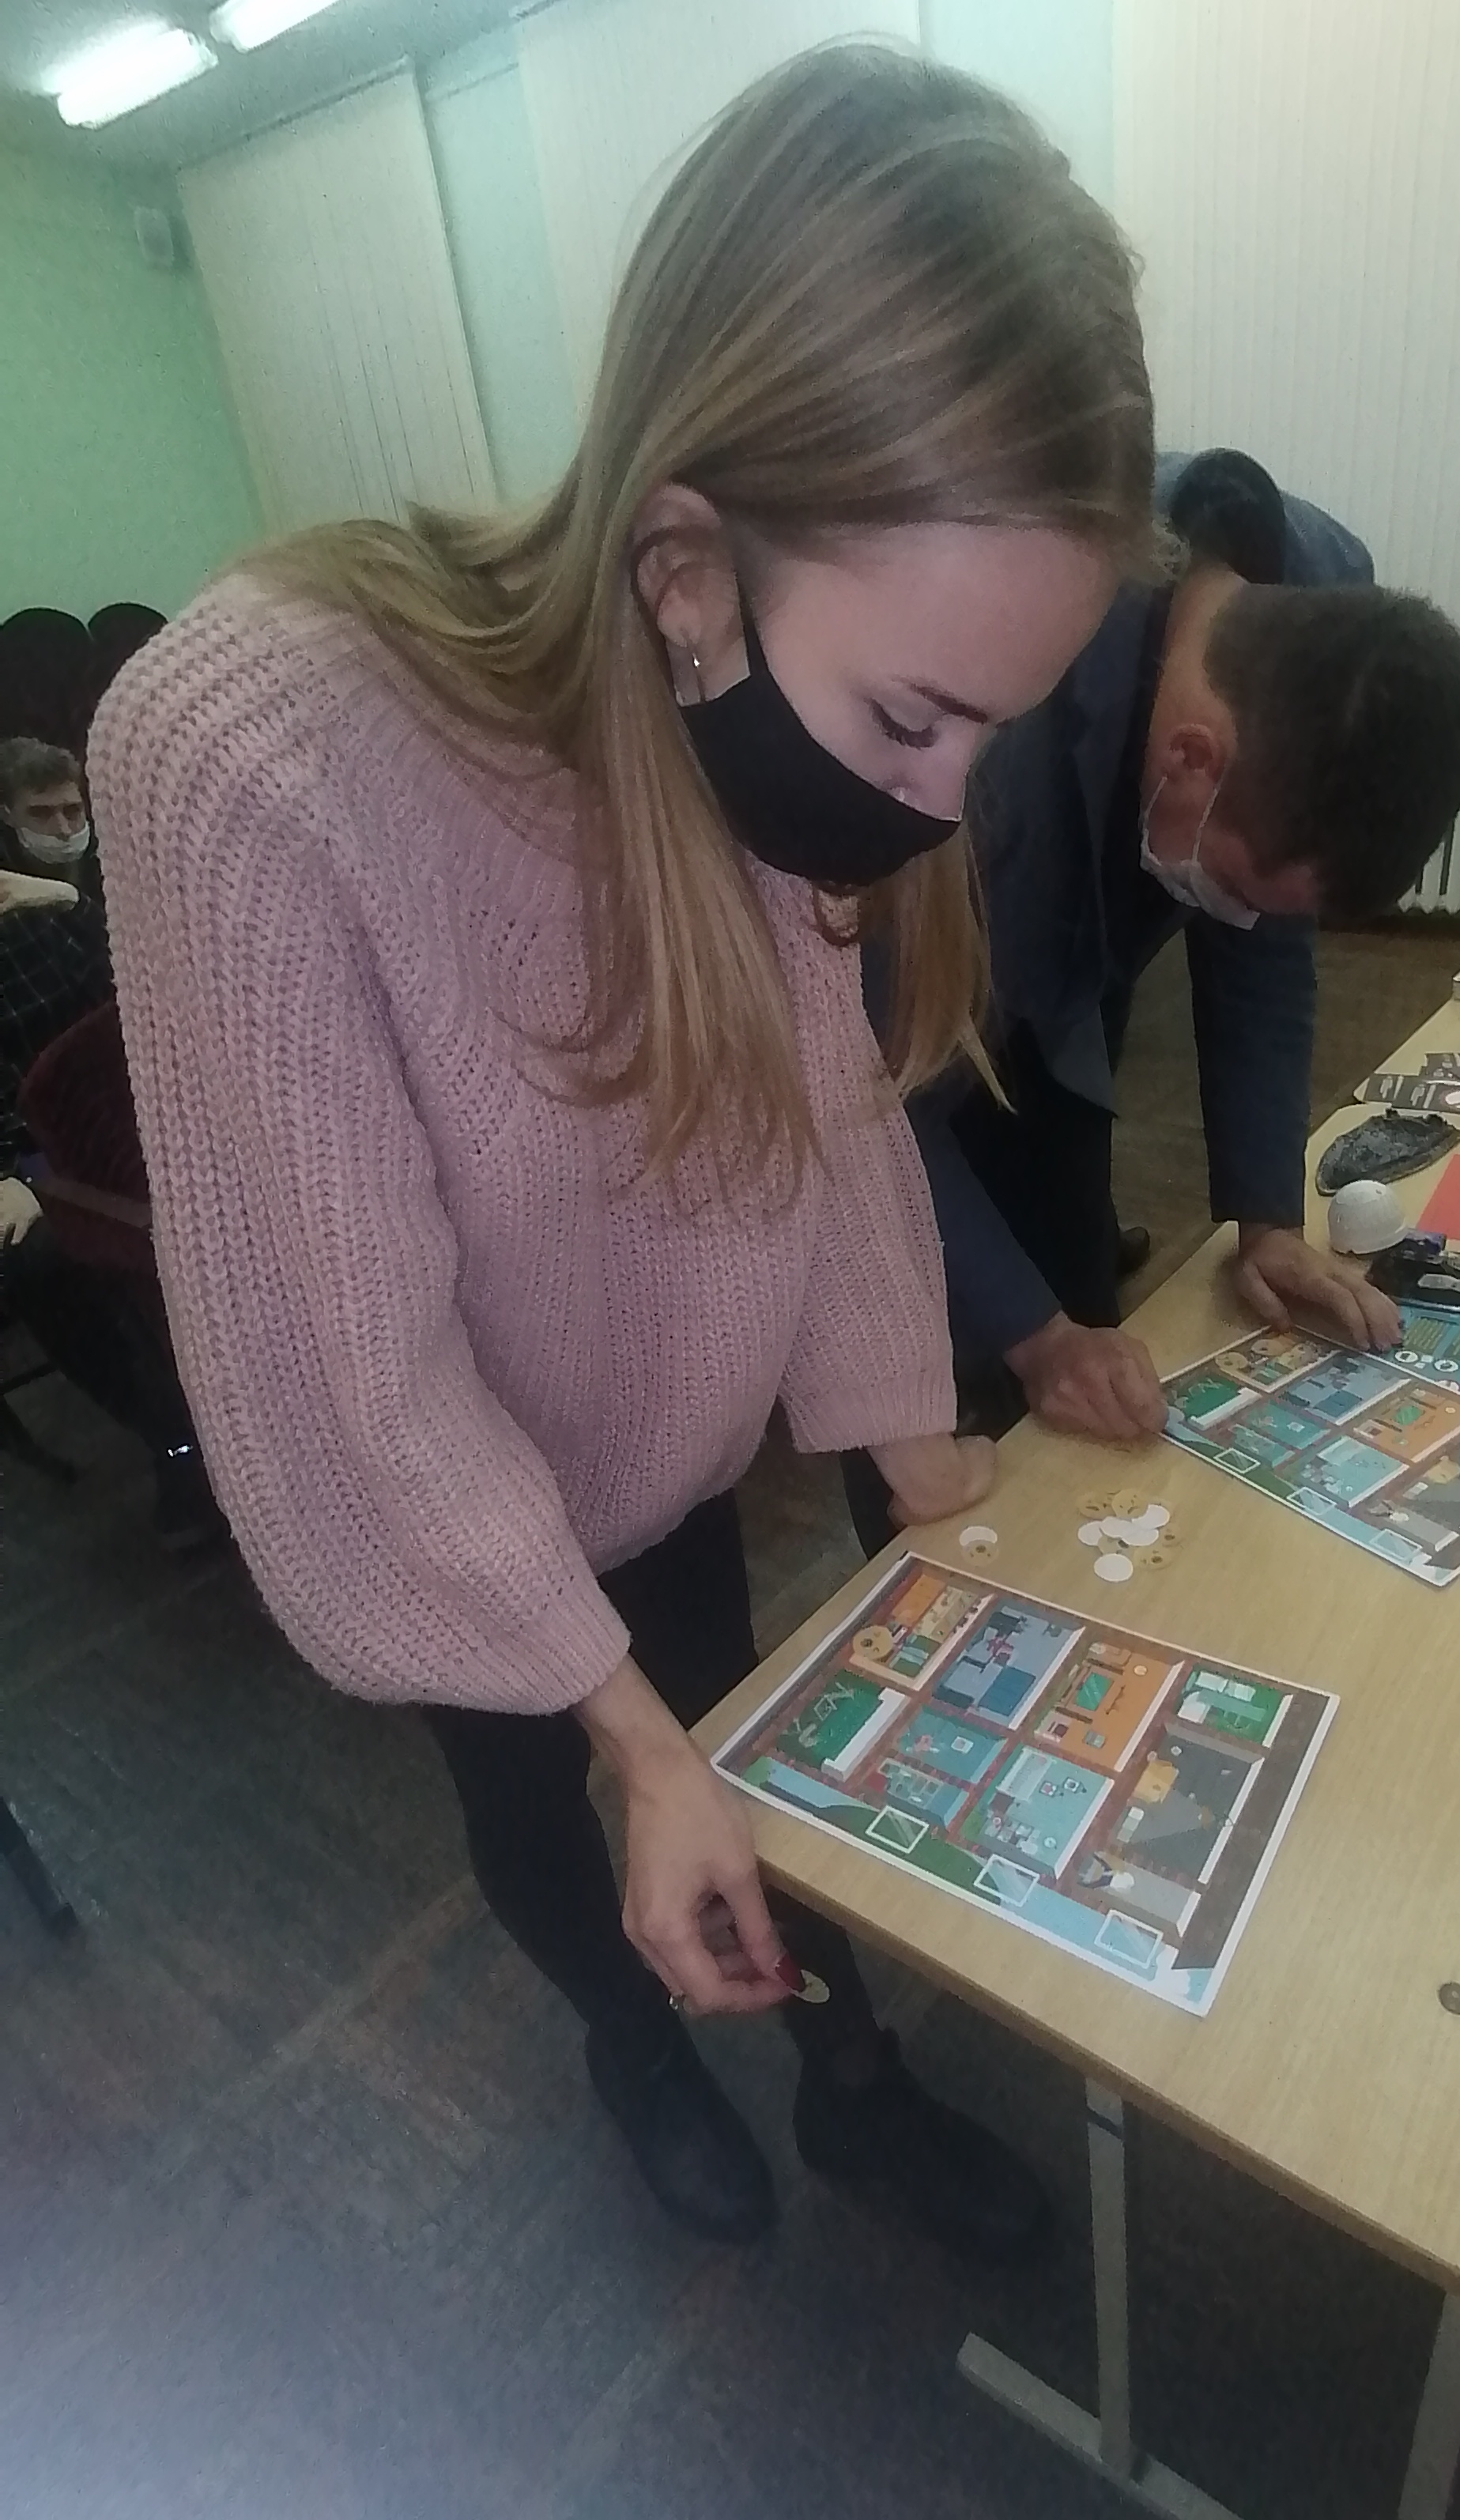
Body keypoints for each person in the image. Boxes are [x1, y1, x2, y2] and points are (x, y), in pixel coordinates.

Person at [90, 48, 1158, 2253]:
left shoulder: (734, 721)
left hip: (658, 1433)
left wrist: (923, 1457)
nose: (938, 810)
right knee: (558, 1802)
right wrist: (625, 1735)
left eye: (988, 732)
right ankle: (633, 2050)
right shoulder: (249, 752)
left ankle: (848, 2084)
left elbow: (822, 1112)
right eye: (911, 721)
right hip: (451, 1479)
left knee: (739, 1734)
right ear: (687, 571)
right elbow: (351, 1368)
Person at [849, 448, 1460, 1525]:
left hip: (1062, 974)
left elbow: (1264, 944)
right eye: (1230, 885)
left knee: (1083, 1330)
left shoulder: (1324, 613)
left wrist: (1269, 1218)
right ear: (1194, 758)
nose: (1234, 912)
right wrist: (1033, 1336)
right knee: (928, 1380)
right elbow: (869, 1102)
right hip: (880, 1008)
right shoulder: (985, 721)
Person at [0, 876, 217, 1542]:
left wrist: (71, 901)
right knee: (36, 1263)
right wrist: (19, 1173)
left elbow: (152, 993)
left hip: (142, 1113)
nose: (66, 830)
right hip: (31, 1162)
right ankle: (178, 1442)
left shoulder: (49, 910)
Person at [2, 738, 101, 904]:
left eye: (72, 810)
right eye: (41, 814)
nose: (64, 830)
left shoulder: (117, 861)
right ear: (7, 816)